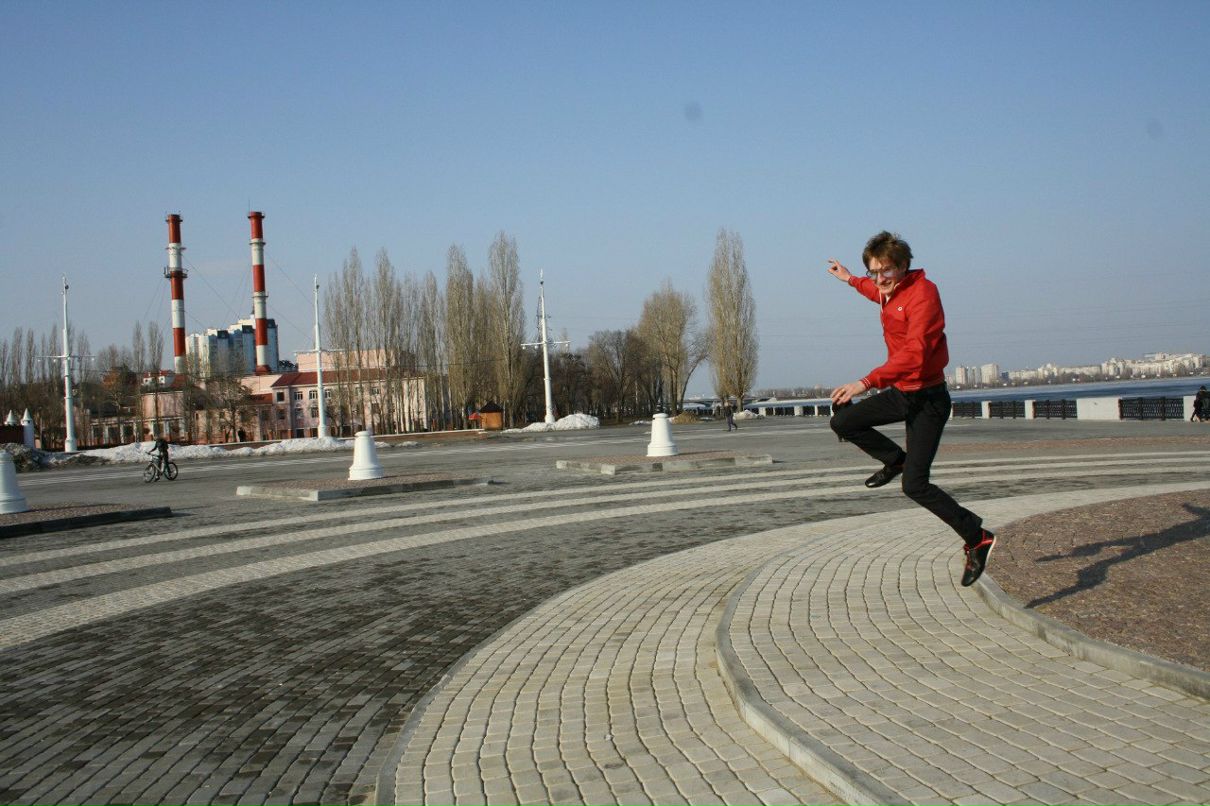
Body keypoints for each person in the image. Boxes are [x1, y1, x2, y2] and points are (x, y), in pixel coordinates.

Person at [825, 231, 995, 587]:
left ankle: (977, 537)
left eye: (886, 271)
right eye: (874, 271)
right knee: (843, 421)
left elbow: (916, 353)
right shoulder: (887, 291)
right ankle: (896, 461)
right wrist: (850, 279)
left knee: (915, 486)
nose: (879, 279)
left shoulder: (924, 295)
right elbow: (874, 291)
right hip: (902, 392)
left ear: (903, 266)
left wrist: (866, 382)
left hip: (928, 400)